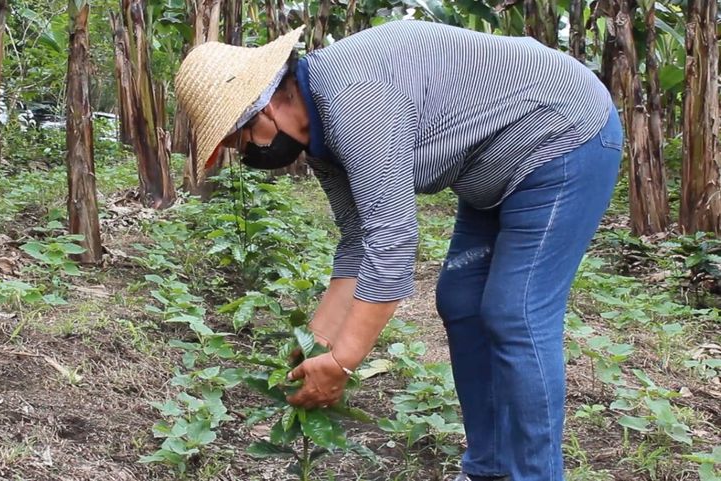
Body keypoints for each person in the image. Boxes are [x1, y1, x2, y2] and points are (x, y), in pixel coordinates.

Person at [175, 20, 622, 481]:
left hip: (563, 134)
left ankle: (533, 474)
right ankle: (488, 470)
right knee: (461, 300)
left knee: (516, 311)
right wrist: (316, 342)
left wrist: (342, 362)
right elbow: (358, 240)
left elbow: (392, 241)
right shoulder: (323, 137)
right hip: (494, 167)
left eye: (240, 141)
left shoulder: (354, 100)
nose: (247, 154)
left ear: (266, 109)